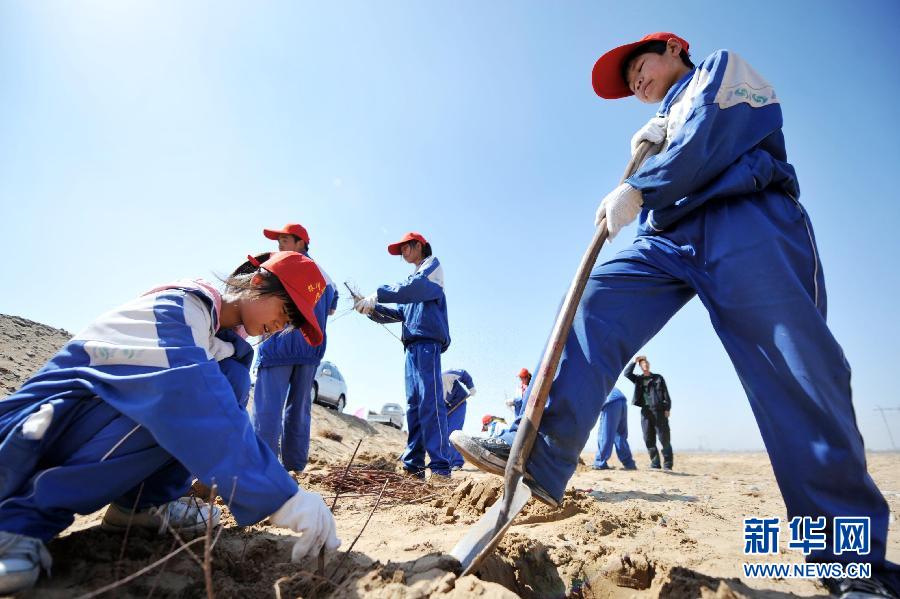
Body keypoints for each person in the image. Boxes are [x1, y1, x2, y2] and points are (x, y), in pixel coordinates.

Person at [450, 32, 899, 597]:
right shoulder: (657, 126)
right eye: (630, 81)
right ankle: (540, 450)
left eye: (641, 65)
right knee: (598, 298)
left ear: (674, 49)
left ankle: (854, 568)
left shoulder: (721, 68)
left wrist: (643, 181)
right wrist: (655, 151)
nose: (636, 81)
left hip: (746, 218)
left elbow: (716, 134)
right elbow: (672, 164)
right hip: (669, 235)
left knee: (796, 373)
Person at [0, 251, 341, 595]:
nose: (283, 325)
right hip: (25, 447)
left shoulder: (219, 341)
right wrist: (282, 496)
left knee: (230, 379)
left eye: (292, 322)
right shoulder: (176, 310)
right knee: (184, 397)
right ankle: (17, 521)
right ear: (256, 283)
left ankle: (143, 504)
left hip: (73, 431)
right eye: (285, 311)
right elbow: (194, 400)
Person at [354, 232, 451, 479]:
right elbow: (399, 314)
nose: (402, 253)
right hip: (411, 347)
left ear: (419, 245)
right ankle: (413, 466)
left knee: (431, 403)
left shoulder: (432, 267)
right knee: (414, 407)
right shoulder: (413, 278)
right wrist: (371, 309)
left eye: (405, 248)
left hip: (427, 344)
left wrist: (379, 293)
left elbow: (413, 290)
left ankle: (440, 468)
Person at [252, 223, 339, 472]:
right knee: (299, 411)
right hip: (310, 349)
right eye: (278, 240)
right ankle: (295, 467)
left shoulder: (275, 265)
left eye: (285, 240)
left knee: (268, 408)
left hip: (277, 346)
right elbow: (331, 308)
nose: (279, 245)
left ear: (301, 243)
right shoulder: (324, 274)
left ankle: (263, 467)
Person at [624, 355, 672, 470]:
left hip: (659, 411)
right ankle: (655, 464)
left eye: (646, 363)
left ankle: (668, 464)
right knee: (648, 438)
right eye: (642, 364)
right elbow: (626, 374)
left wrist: (667, 408)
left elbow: (666, 394)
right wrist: (634, 362)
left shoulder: (658, 378)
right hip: (645, 412)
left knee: (664, 438)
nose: (644, 365)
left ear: (648, 365)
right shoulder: (638, 379)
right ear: (640, 366)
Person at [592, 387, 636, 471]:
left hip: (610, 401)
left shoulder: (584, 387)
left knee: (605, 434)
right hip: (621, 400)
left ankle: (599, 462)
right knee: (620, 435)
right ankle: (629, 463)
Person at [442, 368, 476, 470]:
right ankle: (446, 461)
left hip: (459, 403)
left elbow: (464, 373)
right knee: (442, 433)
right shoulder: (428, 391)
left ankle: (457, 462)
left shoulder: (446, 375)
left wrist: (471, 387)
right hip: (445, 407)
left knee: (453, 432)